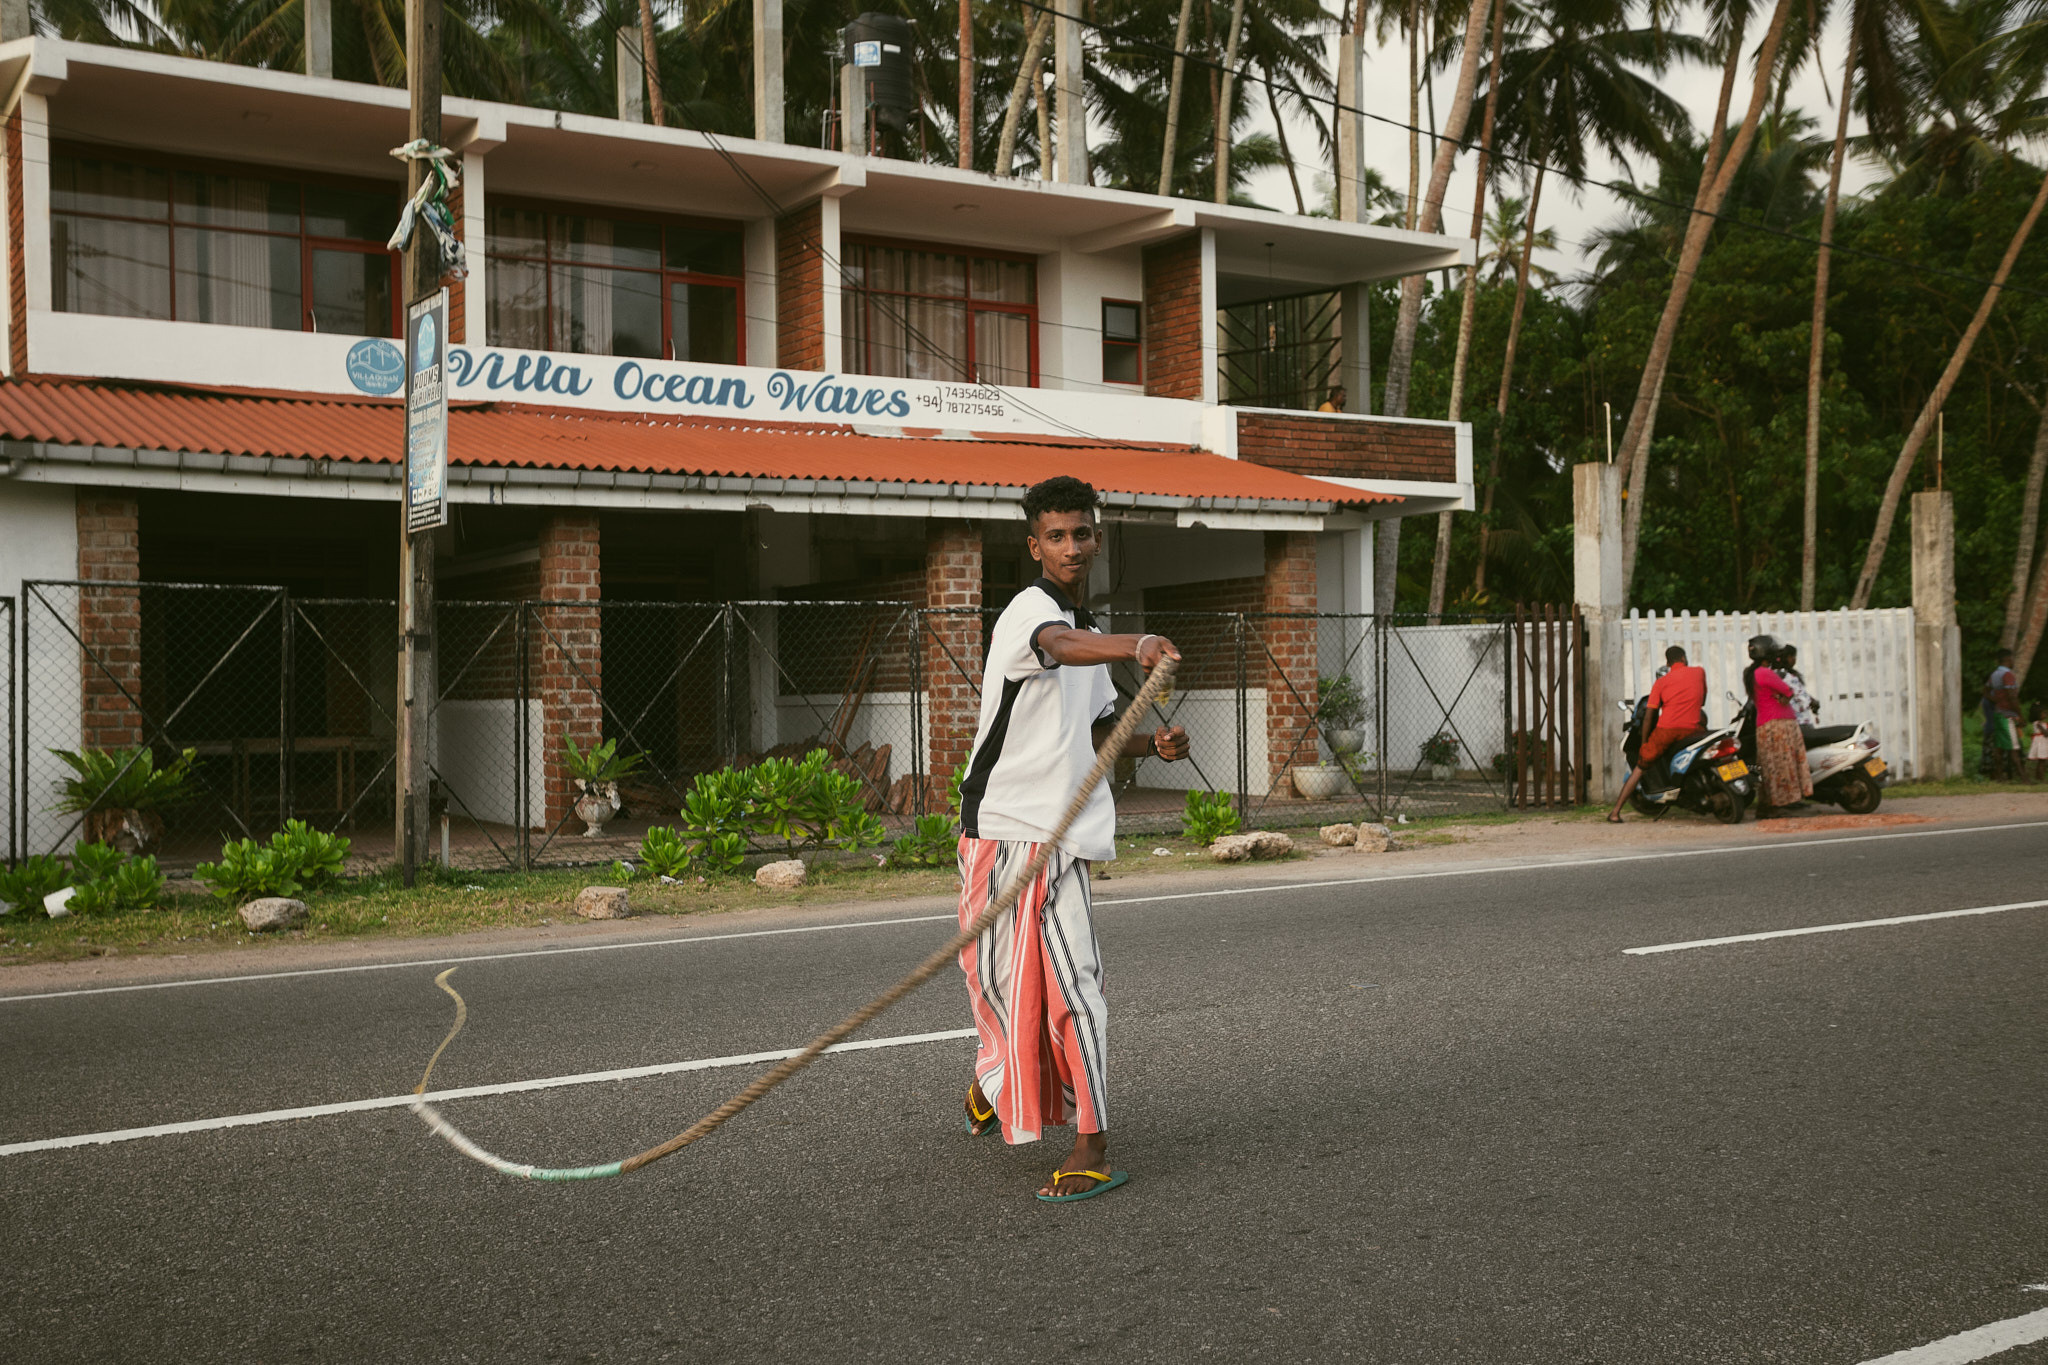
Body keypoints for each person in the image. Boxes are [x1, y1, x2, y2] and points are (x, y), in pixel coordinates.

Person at [956, 475, 1189, 1204]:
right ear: (1035, 545)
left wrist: (1152, 745)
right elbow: (1057, 645)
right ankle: (998, 1080)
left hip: (1056, 840)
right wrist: (1140, 641)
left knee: (1074, 984)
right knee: (996, 983)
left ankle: (1090, 1141)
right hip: (996, 831)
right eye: (1055, 535)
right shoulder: (1033, 615)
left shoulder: (1085, 630)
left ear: (1097, 537)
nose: (1071, 546)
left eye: (1081, 533)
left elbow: (1092, 732)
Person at [1607, 645, 1707, 823]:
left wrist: (1645, 742)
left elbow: (1649, 716)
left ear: (1668, 663)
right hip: (1694, 729)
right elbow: (1703, 700)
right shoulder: (1699, 672)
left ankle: (1615, 813)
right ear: (1683, 658)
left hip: (1667, 731)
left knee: (1640, 766)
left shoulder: (1661, 683)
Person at [1746, 634, 1812, 818]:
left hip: (1766, 723)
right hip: (1780, 724)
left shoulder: (1754, 673)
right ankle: (1777, 804)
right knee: (1781, 766)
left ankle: (1767, 805)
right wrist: (1784, 697)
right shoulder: (1765, 673)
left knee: (1769, 766)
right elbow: (1788, 690)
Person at [1984, 650, 2024, 780]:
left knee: (1999, 747)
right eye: (2012, 659)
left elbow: (1985, 691)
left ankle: (1999, 776)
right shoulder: (2007, 675)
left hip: (1998, 713)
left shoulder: (1994, 674)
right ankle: (2024, 778)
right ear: (2007, 659)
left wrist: (1996, 700)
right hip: (2007, 715)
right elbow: (2012, 697)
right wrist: (2020, 715)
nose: (2013, 662)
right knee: (2013, 747)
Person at [1777, 644, 1820, 730]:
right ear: (1788, 657)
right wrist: (1812, 702)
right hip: (1799, 722)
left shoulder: (1776, 674)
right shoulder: (1788, 676)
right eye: (1793, 656)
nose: (1794, 659)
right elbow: (1803, 700)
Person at [2028, 703, 2048, 784]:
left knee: (2041, 762)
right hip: (2041, 743)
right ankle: (2040, 778)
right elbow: (2046, 733)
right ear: (2038, 714)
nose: (2046, 714)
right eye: (2044, 713)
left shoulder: (2040, 723)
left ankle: (2038, 778)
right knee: (2042, 761)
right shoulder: (2038, 723)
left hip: (2042, 742)